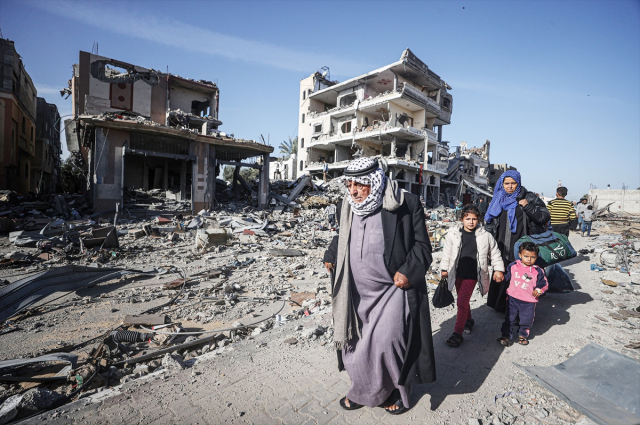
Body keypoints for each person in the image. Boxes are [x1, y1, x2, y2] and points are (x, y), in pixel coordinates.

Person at [323, 157, 434, 415]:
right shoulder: (348, 206)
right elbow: (342, 237)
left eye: (360, 184)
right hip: (357, 292)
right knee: (356, 343)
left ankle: (394, 389)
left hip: (392, 290)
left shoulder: (405, 204)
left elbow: (422, 247)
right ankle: (363, 390)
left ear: (375, 182)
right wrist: (331, 254)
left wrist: (408, 271)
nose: (353, 190)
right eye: (349, 184)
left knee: (388, 341)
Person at [484, 170, 550, 312]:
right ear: (502, 184)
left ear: (518, 183)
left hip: (522, 245)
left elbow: (544, 217)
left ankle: (518, 308)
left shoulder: (529, 197)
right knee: (501, 271)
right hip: (501, 243)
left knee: (519, 276)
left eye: (513, 183)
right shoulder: (498, 198)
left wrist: (528, 206)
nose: (510, 186)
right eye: (506, 183)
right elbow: (489, 222)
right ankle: (500, 304)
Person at [440, 205, 505, 348]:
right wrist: (444, 268)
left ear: (479, 220)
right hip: (456, 273)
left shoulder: (485, 236)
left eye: (474, 219)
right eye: (467, 218)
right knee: (463, 300)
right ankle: (468, 320)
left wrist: (499, 270)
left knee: (462, 301)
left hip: (473, 275)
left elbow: (495, 253)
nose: (471, 222)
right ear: (462, 219)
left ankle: (457, 333)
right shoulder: (453, 234)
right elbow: (447, 252)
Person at [497, 242, 549, 346]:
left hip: (528, 301)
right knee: (509, 318)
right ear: (520, 255)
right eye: (526, 256)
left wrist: (538, 290)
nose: (529, 259)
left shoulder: (538, 271)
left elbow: (544, 283)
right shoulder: (513, 266)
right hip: (512, 298)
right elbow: (507, 276)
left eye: (532, 257)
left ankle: (523, 335)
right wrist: (501, 277)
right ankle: (506, 336)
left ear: (536, 257)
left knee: (527, 319)